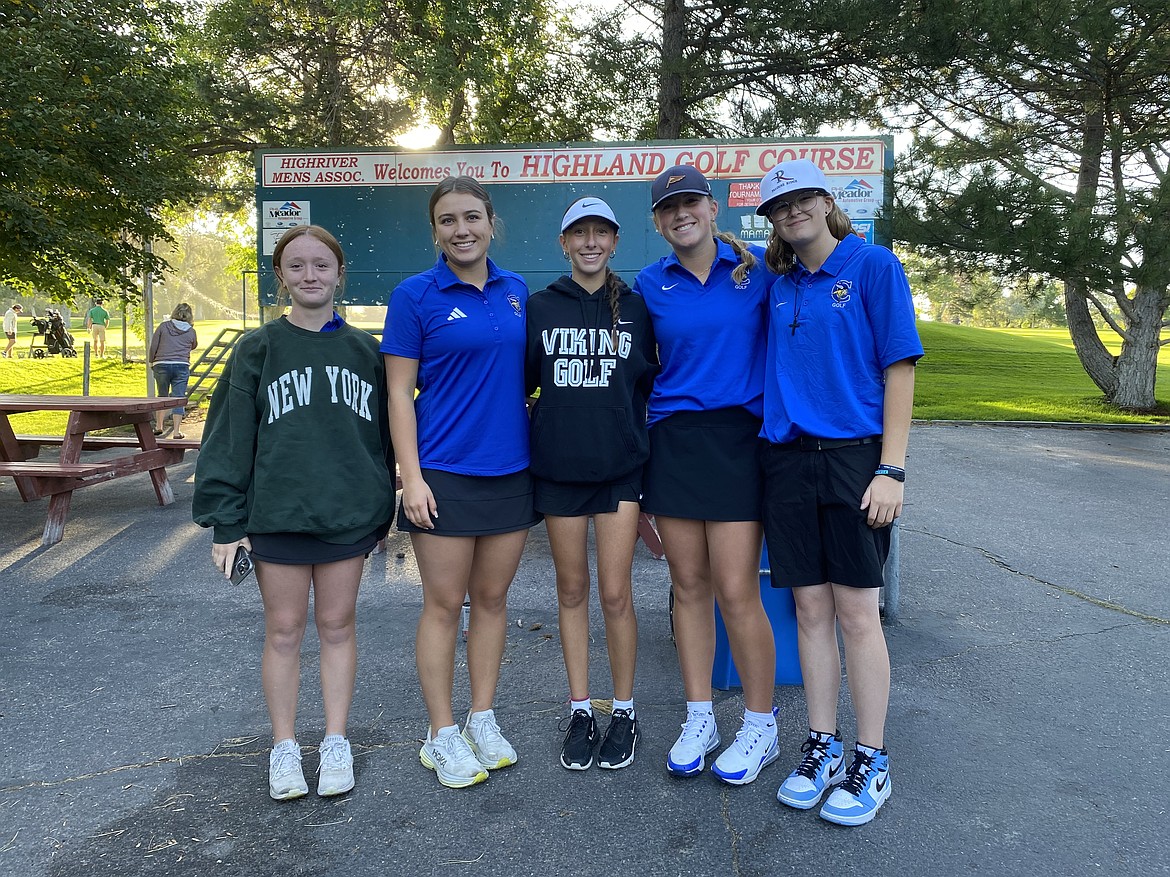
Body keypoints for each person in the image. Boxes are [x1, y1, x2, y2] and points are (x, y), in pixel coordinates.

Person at [192, 225, 395, 801]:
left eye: (321, 265)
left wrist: (380, 510)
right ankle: (284, 748)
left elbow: (383, 437)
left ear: (339, 273)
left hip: (347, 515)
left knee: (337, 627)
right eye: (297, 266)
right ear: (280, 276)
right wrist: (226, 521)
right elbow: (228, 438)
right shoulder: (257, 349)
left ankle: (335, 741)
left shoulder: (366, 351)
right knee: (283, 632)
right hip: (276, 515)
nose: (310, 276)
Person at [755, 158, 923, 826]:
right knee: (810, 612)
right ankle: (821, 744)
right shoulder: (777, 282)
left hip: (857, 461)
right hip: (788, 462)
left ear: (827, 201)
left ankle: (872, 758)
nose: (792, 211)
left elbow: (900, 368)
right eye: (779, 205)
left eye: (802, 199)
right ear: (770, 219)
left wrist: (893, 469)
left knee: (858, 612)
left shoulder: (873, 266)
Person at [382, 176, 539, 789]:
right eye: (448, 220)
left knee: (494, 602)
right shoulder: (414, 295)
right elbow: (398, 392)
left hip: (511, 470)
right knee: (445, 604)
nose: (462, 229)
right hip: (443, 473)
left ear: (491, 222)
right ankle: (441, 732)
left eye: (472, 217)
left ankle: (482, 717)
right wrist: (411, 478)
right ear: (435, 231)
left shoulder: (517, 291)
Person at [633, 165, 780, 786]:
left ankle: (760, 722)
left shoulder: (755, 273)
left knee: (737, 589)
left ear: (711, 207)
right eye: (668, 208)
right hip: (672, 443)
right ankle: (700, 716)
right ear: (659, 222)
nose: (680, 214)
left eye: (689, 202)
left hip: (737, 442)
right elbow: (639, 373)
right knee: (687, 586)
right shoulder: (648, 282)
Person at [525, 197, 657, 771]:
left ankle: (623, 710)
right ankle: (581, 707)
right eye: (579, 233)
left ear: (615, 241)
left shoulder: (636, 307)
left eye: (601, 232)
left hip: (620, 472)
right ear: (564, 242)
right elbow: (526, 383)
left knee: (616, 593)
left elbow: (647, 386)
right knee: (572, 591)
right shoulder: (539, 307)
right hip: (559, 471)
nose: (591, 242)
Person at [148, 303, 198, 437]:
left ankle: (159, 426)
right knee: (179, 397)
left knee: (162, 395)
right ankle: (176, 431)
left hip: (161, 363)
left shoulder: (163, 326)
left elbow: (153, 345)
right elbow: (193, 345)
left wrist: (151, 361)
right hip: (181, 365)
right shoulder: (191, 331)